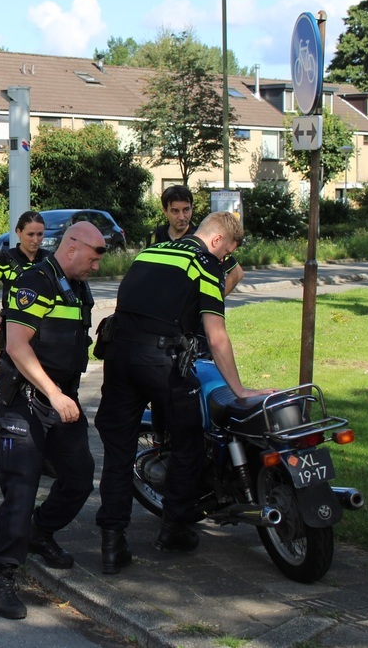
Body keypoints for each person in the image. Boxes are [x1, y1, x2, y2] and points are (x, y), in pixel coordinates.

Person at [94, 212, 272, 575]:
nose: (223, 264)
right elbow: (216, 334)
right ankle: (174, 528)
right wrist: (239, 390)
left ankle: (112, 543)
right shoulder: (204, 263)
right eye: (226, 256)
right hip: (161, 362)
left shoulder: (151, 252)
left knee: (118, 451)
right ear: (219, 241)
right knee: (188, 440)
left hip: (119, 355)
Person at [0, 221, 104, 619]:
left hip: (62, 399)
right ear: (73, 248)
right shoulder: (35, 281)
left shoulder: (79, 287)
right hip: (26, 398)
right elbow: (17, 345)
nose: (97, 266)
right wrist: (53, 393)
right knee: (21, 486)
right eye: (94, 256)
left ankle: (40, 532)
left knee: (78, 477)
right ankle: (3, 576)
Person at [149, 185, 243, 296]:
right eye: (175, 211)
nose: (182, 217)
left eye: (186, 210)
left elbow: (237, 273)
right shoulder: (156, 237)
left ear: (192, 207)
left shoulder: (203, 237)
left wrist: (216, 300)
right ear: (165, 211)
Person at [0, 211, 50, 349]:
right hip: (13, 327)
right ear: (18, 232)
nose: (36, 240)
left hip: (44, 330)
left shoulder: (50, 259)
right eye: (30, 234)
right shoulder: (5, 259)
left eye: (40, 234)